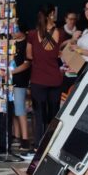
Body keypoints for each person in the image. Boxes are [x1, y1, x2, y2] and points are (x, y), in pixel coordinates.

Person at [27, 11, 65, 148]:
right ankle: (52, 145)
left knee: (39, 115)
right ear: (50, 16)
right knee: (54, 114)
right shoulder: (60, 33)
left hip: (38, 79)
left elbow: (29, 55)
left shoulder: (32, 34)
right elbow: (61, 53)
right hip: (55, 79)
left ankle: (38, 145)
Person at [10, 31, 32, 155]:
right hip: (11, 80)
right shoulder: (11, 43)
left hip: (20, 80)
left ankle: (25, 139)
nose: (12, 32)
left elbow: (27, 64)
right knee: (13, 109)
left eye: (15, 29)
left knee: (19, 108)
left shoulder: (26, 44)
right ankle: (16, 135)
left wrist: (12, 72)